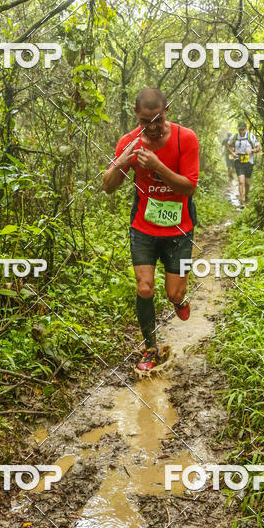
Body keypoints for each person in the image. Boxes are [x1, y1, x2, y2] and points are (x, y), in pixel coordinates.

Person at [103, 87, 199, 373]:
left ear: (167, 111)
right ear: (136, 114)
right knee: (144, 287)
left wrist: (158, 167)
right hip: (143, 228)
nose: (153, 127)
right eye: (146, 121)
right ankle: (150, 348)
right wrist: (122, 162)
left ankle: (180, 300)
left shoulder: (186, 138)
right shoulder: (129, 142)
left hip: (180, 229)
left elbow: (189, 188)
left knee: (173, 293)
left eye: (158, 120)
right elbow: (108, 187)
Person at [228, 121, 260, 207]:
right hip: (238, 161)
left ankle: (246, 196)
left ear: (246, 129)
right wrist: (233, 153)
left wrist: (252, 150)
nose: (241, 132)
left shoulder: (251, 136)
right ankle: (242, 201)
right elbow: (229, 145)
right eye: (240, 130)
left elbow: (258, 148)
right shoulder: (234, 137)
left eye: (243, 129)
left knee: (247, 183)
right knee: (241, 182)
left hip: (249, 161)